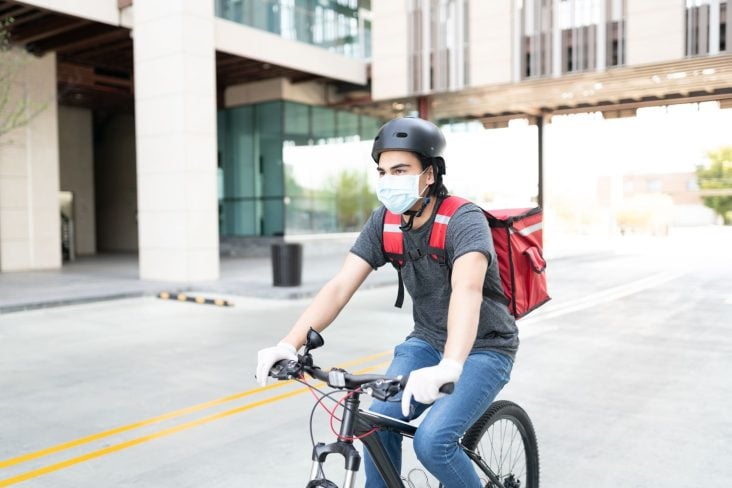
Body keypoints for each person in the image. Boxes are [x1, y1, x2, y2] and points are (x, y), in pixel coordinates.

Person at [256, 116, 518, 487]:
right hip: (427, 340)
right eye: (381, 172)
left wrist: (450, 365)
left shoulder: (464, 219)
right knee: (375, 425)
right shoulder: (386, 222)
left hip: (484, 349)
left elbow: (467, 290)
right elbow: (341, 284)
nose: (387, 181)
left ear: (429, 173)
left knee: (433, 443)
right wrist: (289, 343)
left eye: (400, 170)